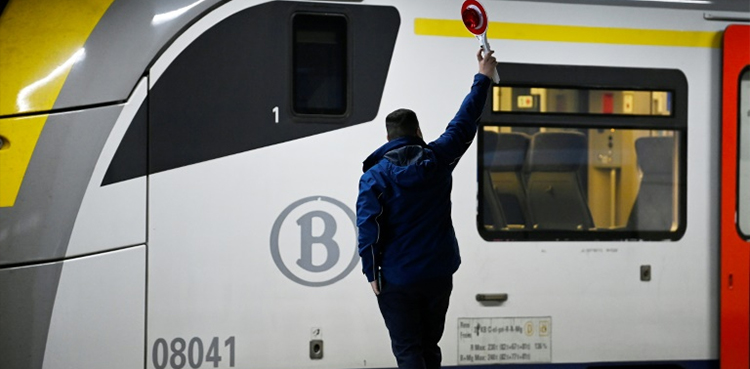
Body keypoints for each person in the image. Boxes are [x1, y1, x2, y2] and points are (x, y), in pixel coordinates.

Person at [356, 48, 497, 369]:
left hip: (397, 278)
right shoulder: (439, 159)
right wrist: (483, 77)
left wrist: (371, 270)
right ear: (418, 132)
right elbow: (465, 122)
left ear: (388, 137)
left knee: (408, 352)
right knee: (430, 347)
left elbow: (368, 226)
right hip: (437, 274)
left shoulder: (374, 177)